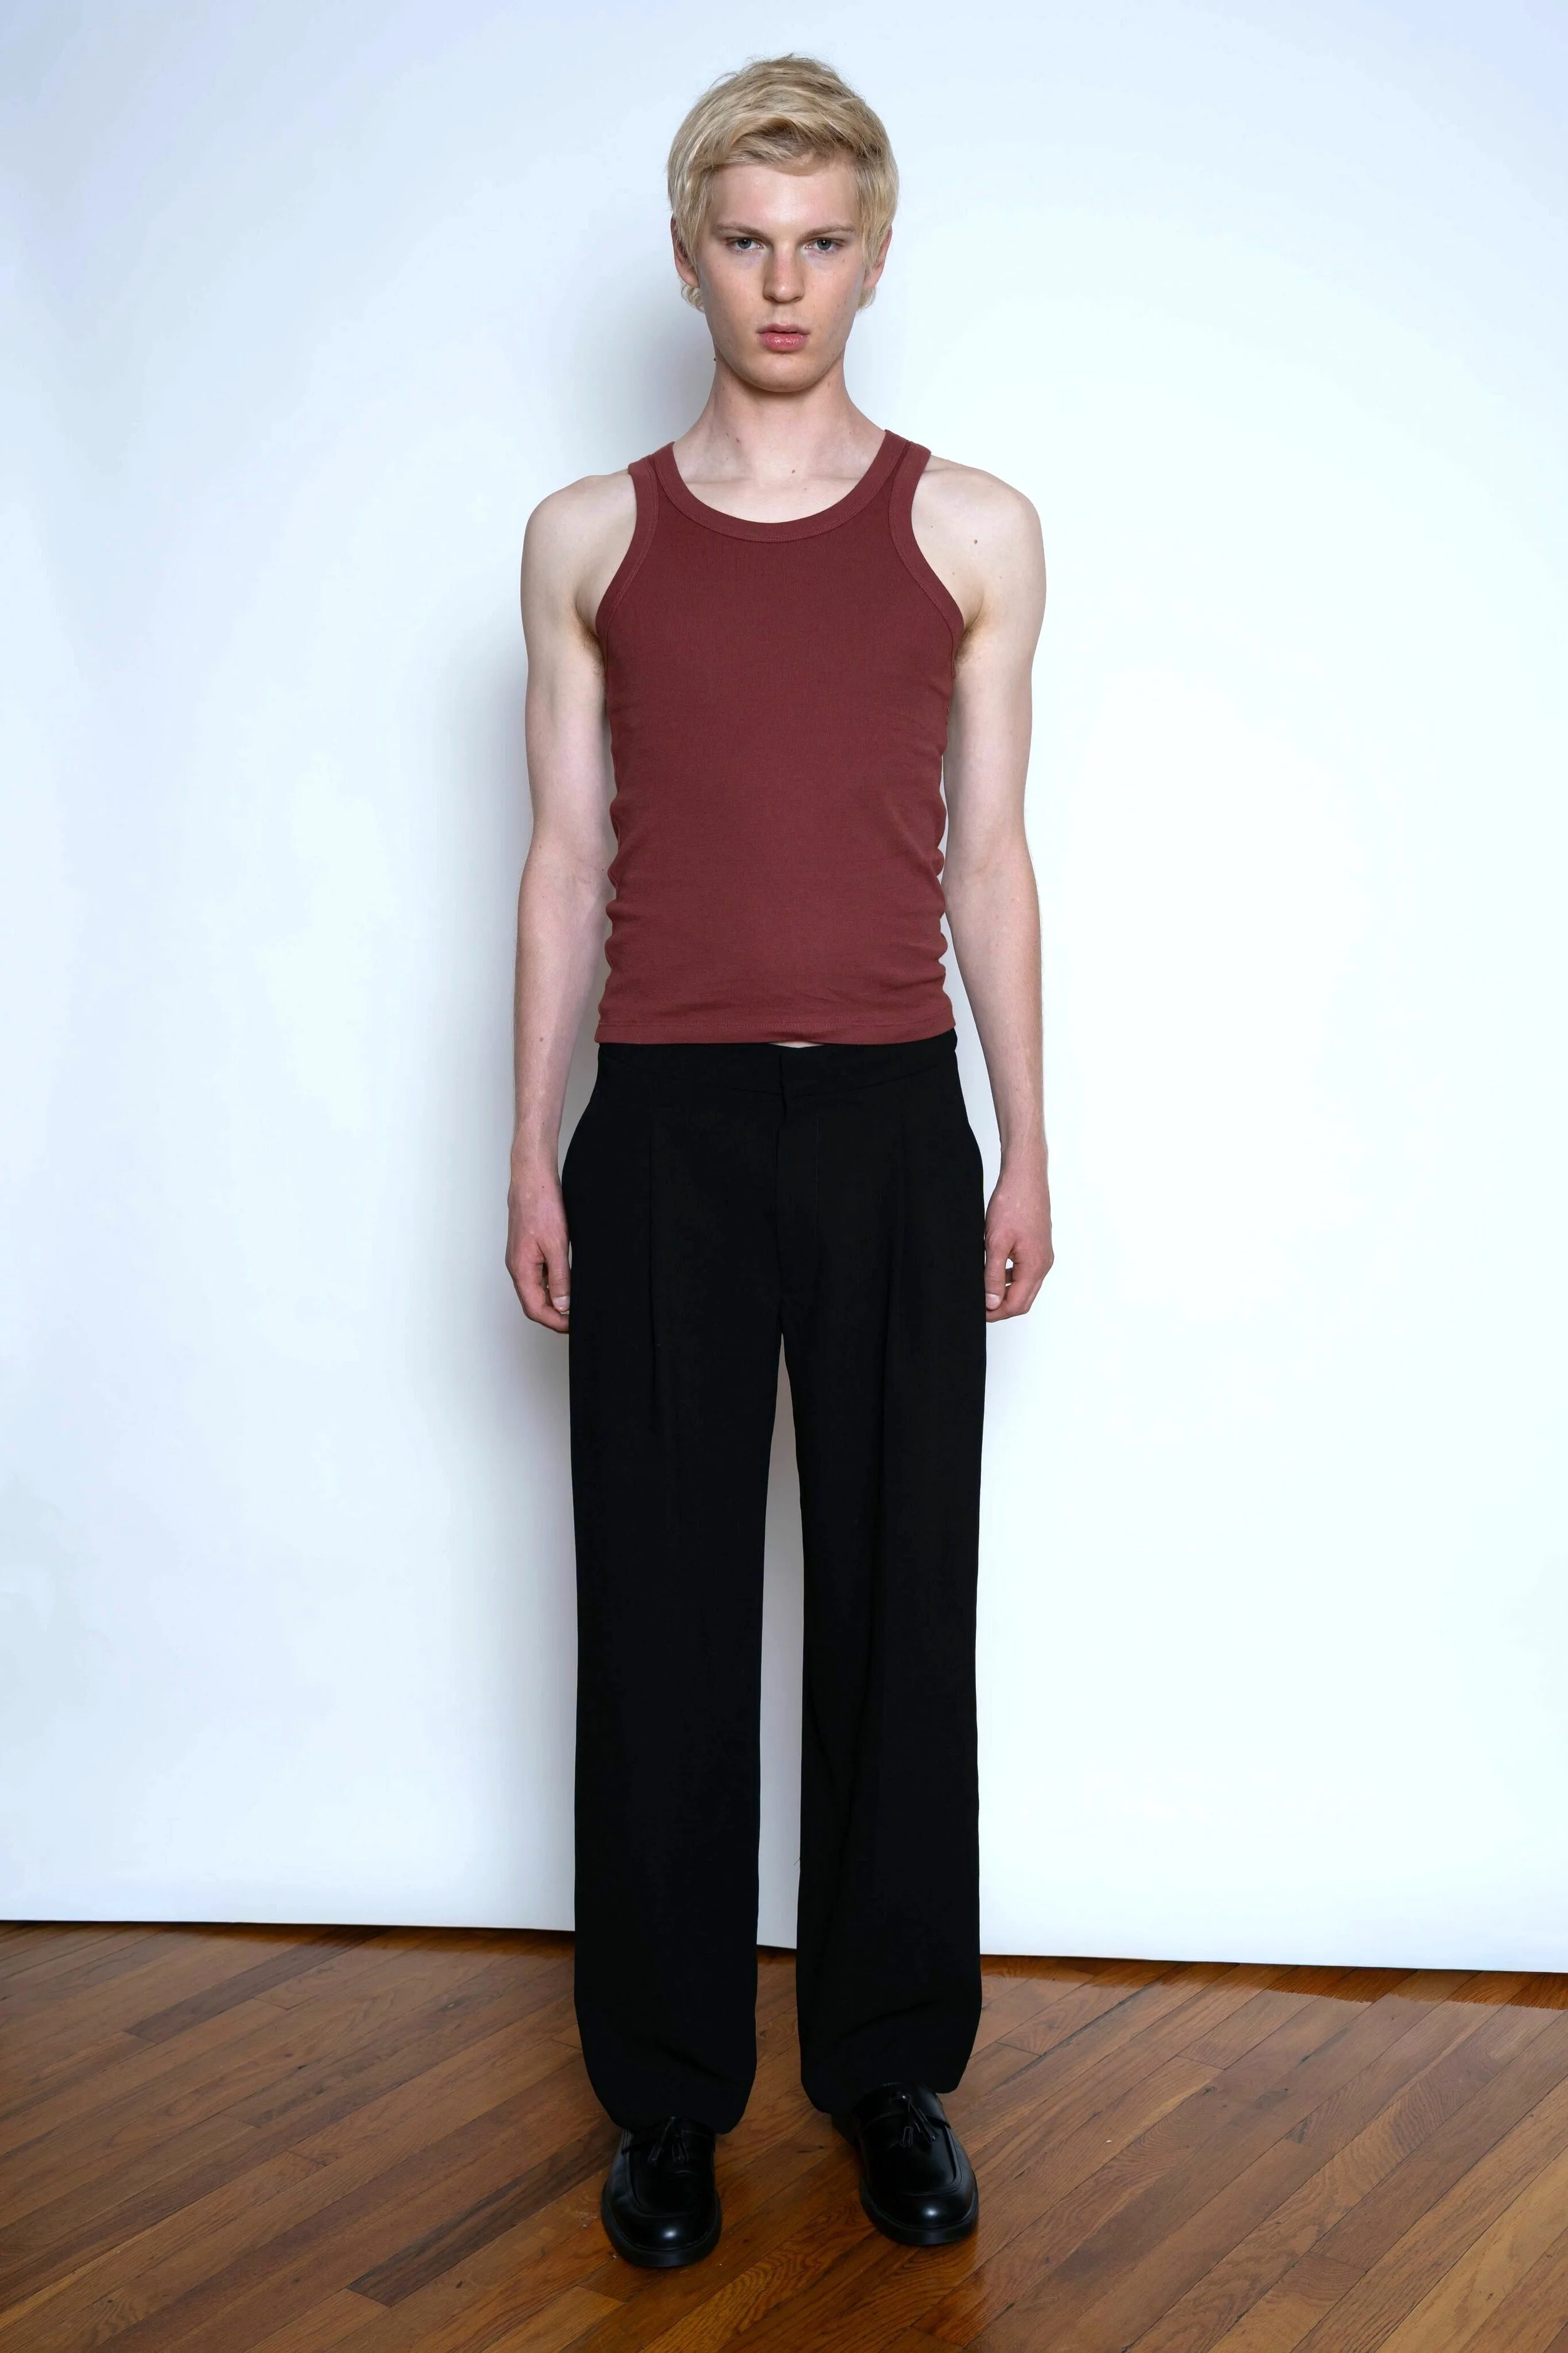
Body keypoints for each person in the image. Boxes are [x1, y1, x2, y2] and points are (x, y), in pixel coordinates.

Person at [507, 53, 1051, 2269]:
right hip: (663, 1122)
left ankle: (887, 2066)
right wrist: (528, 1151)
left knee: (903, 1596)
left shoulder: (970, 529)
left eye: (821, 241)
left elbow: (990, 856)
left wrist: (1027, 1142)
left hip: (893, 1114)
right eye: (745, 240)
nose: (783, 281)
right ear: (687, 256)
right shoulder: (587, 537)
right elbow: (563, 860)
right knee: (656, 1608)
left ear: (876, 254)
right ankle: (665, 2099)